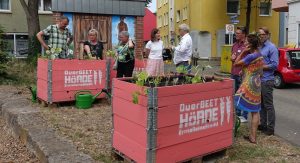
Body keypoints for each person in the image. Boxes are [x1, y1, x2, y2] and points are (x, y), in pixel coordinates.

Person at [234, 34, 264, 144]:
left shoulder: (250, 56)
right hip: (257, 84)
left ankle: (230, 130)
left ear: (250, 44)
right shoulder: (259, 54)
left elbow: (236, 63)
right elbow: (260, 72)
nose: (245, 43)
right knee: (255, 111)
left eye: (246, 42)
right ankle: (253, 137)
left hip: (248, 84)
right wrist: (247, 70)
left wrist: (242, 52)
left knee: (234, 102)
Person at [257, 27, 279, 136]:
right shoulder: (259, 47)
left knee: (268, 105)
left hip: (267, 80)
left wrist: (261, 67)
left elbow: (275, 65)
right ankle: (263, 125)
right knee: (261, 104)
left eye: (262, 34)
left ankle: (270, 129)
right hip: (259, 79)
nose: (260, 36)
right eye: (259, 34)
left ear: (267, 35)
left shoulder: (272, 47)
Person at [231, 26, 248, 123]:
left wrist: (237, 59)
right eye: (236, 33)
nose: (236, 34)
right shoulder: (234, 45)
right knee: (235, 94)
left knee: (244, 95)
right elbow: (232, 57)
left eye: (238, 33)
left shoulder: (246, 46)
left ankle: (244, 116)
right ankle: (237, 114)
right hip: (234, 72)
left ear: (243, 34)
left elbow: (249, 60)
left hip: (242, 73)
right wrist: (232, 58)